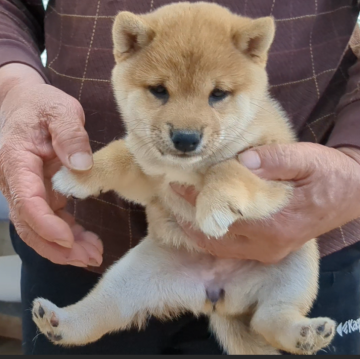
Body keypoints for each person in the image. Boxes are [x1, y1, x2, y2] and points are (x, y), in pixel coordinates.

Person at [0, 0, 360, 355]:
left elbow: (268, 189)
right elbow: (138, 170)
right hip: (120, 249)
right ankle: (81, 321)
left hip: (307, 233)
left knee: (298, 262)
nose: (187, 128)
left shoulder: (256, 129)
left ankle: (278, 316)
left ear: (255, 51)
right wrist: (13, 88)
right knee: (128, 280)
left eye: (217, 94)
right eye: (160, 90)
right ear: (127, 45)